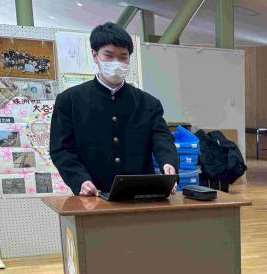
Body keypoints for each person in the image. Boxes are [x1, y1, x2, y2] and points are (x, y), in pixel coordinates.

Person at [49, 23, 178, 196]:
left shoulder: (148, 103)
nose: (116, 63)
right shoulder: (69, 100)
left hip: (141, 194)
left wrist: (168, 162)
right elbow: (61, 149)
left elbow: (162, 139)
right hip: (93, 194)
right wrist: (79, 180)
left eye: (123, 57)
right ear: (95, 55)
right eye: (109, 56)